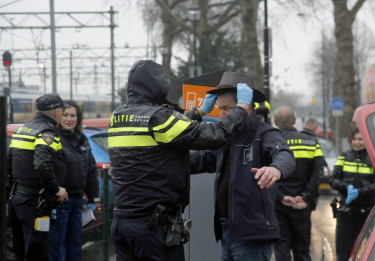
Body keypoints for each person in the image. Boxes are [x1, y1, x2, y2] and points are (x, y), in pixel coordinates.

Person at [108, 60, 253, 261]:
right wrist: (241, 108)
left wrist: (199, 112)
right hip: (153, 229)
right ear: (159, 85)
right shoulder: (159, 119)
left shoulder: (118, 117)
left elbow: (167, 132)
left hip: (122, 224)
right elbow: (216, 135)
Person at [189, 72, 296, 261]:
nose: (221, 115)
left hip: (252, 236)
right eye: (219, 108)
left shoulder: (264, 133)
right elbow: (197, 159)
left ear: (247, 107)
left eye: (227, 109)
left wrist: (275, 169)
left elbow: (284, 154)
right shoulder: (225, 138)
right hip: (227, 231)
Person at [7, 94, 69, 261]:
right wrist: (56, 188)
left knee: (20, 249)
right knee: (38, 250)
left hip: (17, 199)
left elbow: (8, 164)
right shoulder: (46, 132)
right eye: (63, 110)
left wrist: (7, 197)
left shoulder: (23, 129)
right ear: (56, 111)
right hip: (36, 203)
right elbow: (42, 163)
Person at [49, 100, 99, 261]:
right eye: (65, 115)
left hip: (78, 203)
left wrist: (94, 198)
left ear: (78, 119)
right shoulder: (53, 138)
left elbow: (91, 169)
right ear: (58, 117)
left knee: (75, 246)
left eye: (73, 115)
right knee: (57, 248)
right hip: (60, 202)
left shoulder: (82, 140)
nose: (69, 119)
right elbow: (45, 168)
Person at [273, 106, 325, 261]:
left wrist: (281, 196)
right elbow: (318, 173)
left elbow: (264, 174)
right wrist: (305, 196)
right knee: (302, 250)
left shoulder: (271, 141)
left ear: (275, 122)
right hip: (302, 206)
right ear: (295, 121)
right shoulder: (311, 141)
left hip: (278, 205)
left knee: (281, 249)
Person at [329, 128, 375, 261]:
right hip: (347, 211)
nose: (357, 142)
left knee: (365, 251)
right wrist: (347, 188)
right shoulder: (344, 156)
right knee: (343, 250)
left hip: (366, 212)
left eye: (360, 139)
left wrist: (360, 192)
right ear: (350, 141)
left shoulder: (373, 159)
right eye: (354, 139)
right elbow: (333, 179)